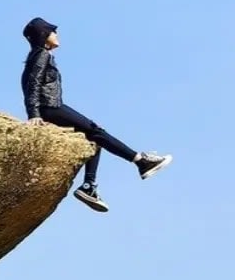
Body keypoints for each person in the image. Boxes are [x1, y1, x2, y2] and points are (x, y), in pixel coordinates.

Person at [21, 16, 171, 212]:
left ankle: (89, 187)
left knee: (93, 140)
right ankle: (141, 161)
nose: (56, 34)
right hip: (51, 108)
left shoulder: (39, 55)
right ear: (43, 35)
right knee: (96, 130)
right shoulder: (42, 55)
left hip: (51, 106)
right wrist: (34, 114)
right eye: (52, 31)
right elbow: (32, 84)